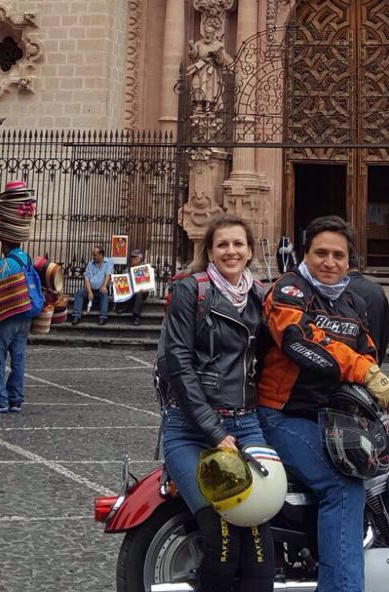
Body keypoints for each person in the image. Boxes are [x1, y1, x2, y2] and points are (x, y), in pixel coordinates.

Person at [258, 215, 389, 592]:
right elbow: (301, 341)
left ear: (349, 262)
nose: (329, 261)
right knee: (342, 487)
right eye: (320, 252)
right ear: (304, 255)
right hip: (284, 415)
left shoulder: (352, 301)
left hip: (334, 420)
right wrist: (364, 371)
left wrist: (376, 377)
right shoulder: (288, 290)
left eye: (338, 255)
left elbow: (367, 350)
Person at [156, 216, 275, 592]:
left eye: (238, 244)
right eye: (222, 245)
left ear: (250, 250)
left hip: (246, 424)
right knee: (221, 530)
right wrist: (215, 431)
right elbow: (179, 363)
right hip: (191, 429)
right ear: (209, 251)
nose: (231, 252)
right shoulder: (190, 291)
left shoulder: (260, 295)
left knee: (257, 531)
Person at [0, 238, 37, 414]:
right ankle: (15, 399)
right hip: (26, 314)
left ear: (5, 244)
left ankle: (0, 399)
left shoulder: (7, 263)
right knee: (18, 358)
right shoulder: (26, 259)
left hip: (8, 315)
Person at [348, 260, 389, 363]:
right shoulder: (377, 290)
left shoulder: (338, 289)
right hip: (371, 355)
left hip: (347, 359)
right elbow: (385, 330)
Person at [71, 244, 111, 325]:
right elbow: (87, 278)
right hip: (91, 289)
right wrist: (89, 292)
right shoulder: (90, 264)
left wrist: (104, 286)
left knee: (104, 293)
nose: (93, 256)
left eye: (95, 255)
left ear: (101, 255)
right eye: (93, 254)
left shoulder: (108, 262)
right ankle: (76, 316)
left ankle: (103, 317)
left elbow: (108, 275)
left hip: (100, 289)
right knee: (80, 292)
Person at [113, 249, 151, 327]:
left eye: (134, 257)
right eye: (131, 257)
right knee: (126, 292)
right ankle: (127, 308)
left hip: (142, 291)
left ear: (140, 259)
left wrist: (145, 288)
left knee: (138, 293)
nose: (132, 259)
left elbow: (149, 285)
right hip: (130, 291)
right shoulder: (127, 269)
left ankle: (136, 316)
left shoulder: (145, 269)